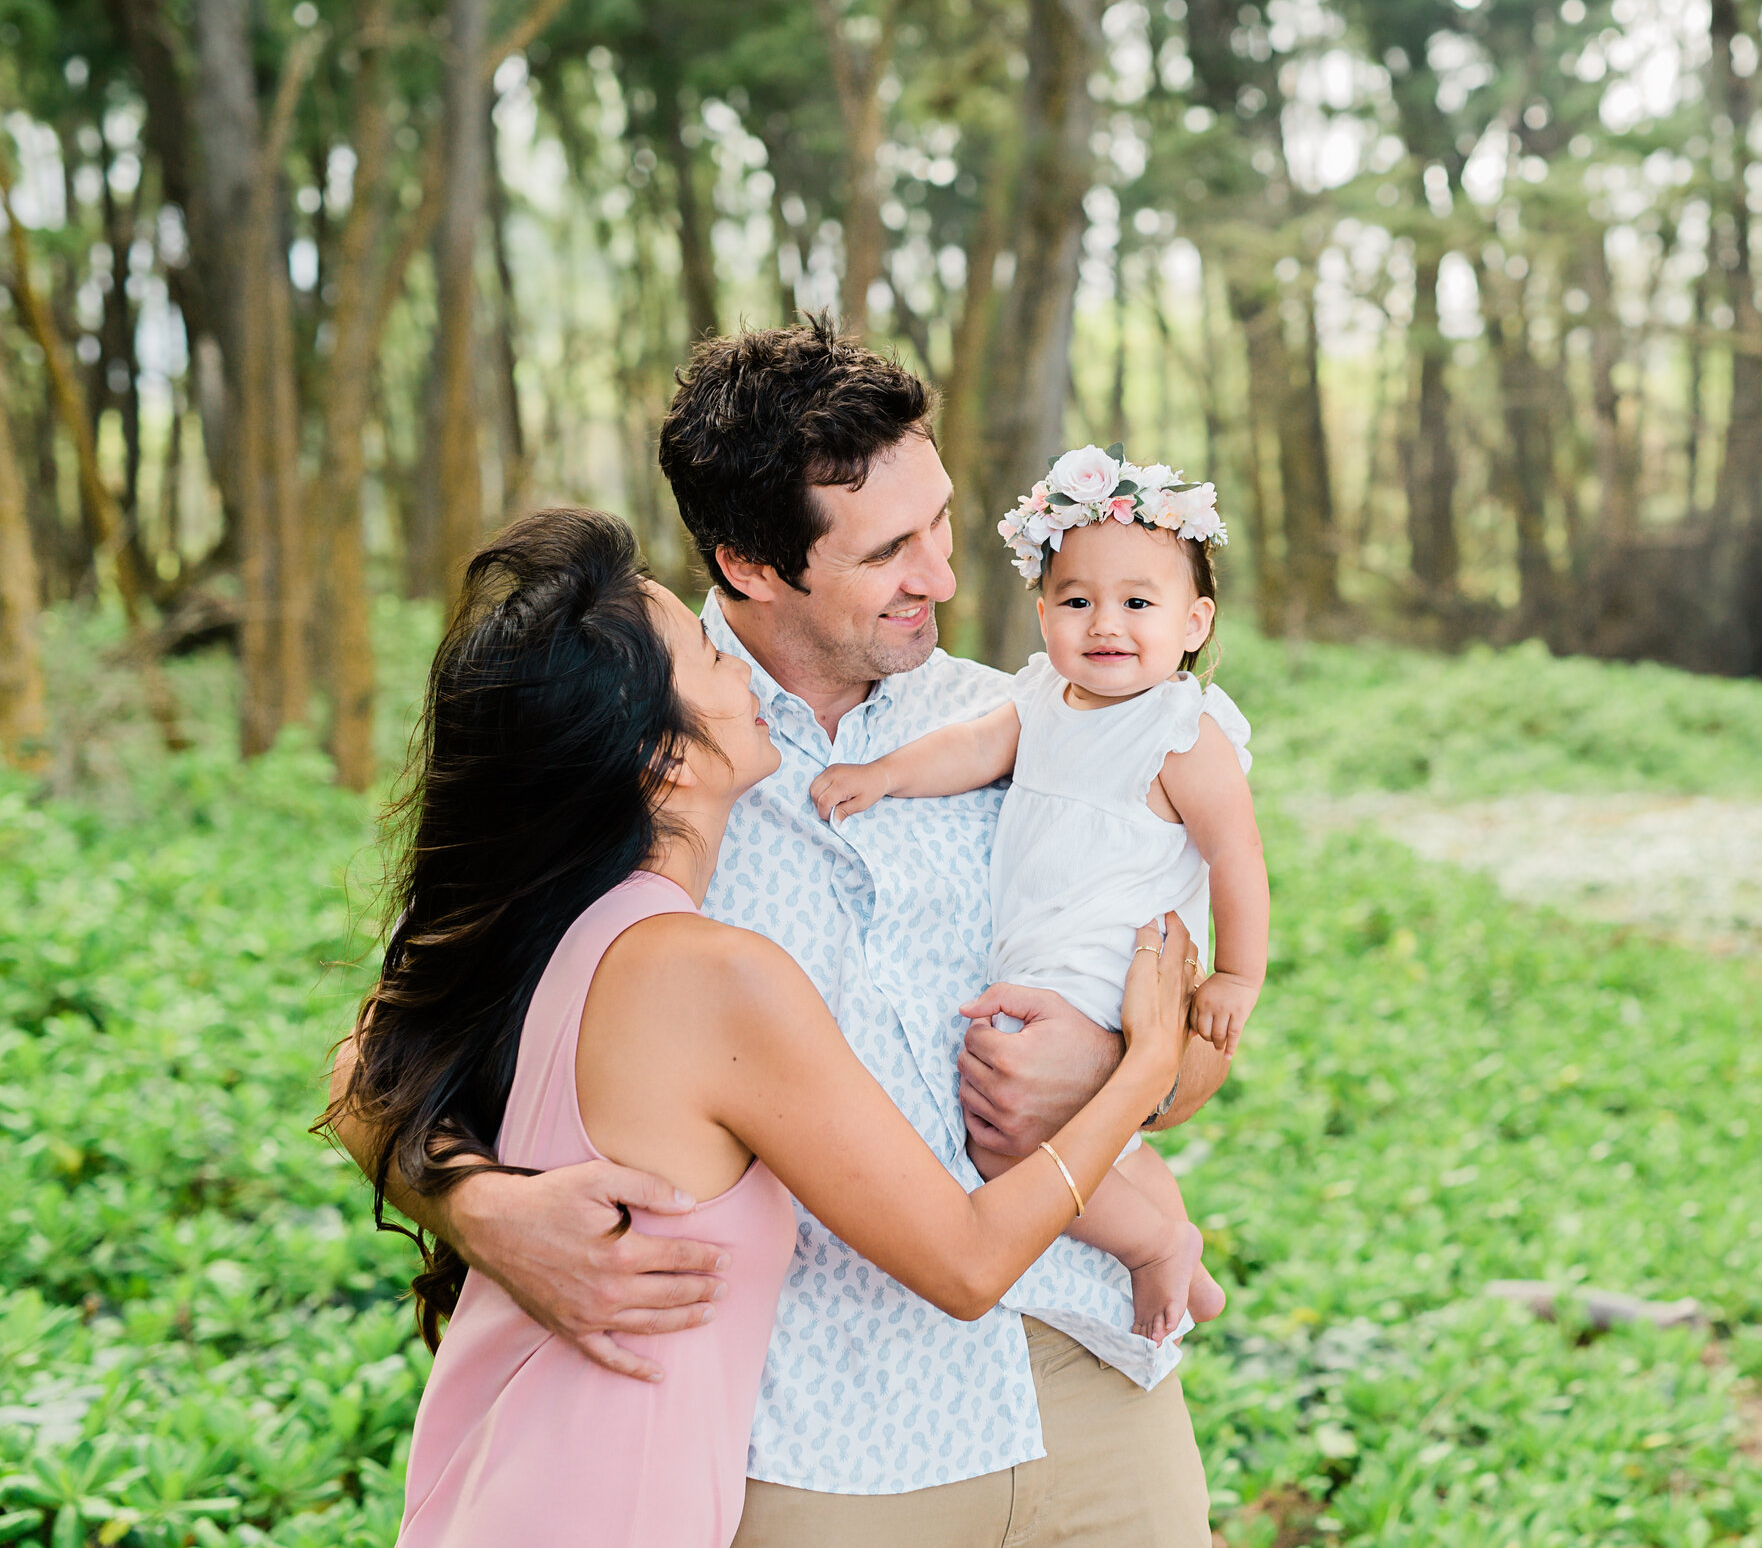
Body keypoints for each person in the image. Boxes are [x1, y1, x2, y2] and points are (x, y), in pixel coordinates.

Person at [328, 319, 1232, 1546]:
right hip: (814, 1446)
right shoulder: (643, 758)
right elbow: (383, 1054)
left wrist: (1131, 1067)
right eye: (889, 550)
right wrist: (479, 1209)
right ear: (752, 562)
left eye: (944, 520)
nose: (946, 576)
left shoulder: (1051, 725)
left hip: (1090, 1376)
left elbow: (1196, 1033)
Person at [810, 445, 1268, 1343]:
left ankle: (1153, 1248)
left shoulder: (1183, 730)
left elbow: (1237, 856)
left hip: (1109, 963)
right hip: (1040, 951)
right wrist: (885, 775)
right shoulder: (1043, 700)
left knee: (1004, 1137)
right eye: (1077, 600)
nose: (1106, 624)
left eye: (1139, 603)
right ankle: (1176, 1242)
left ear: (1193, 620)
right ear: (1043, 609)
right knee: (1102, 1141)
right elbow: (973, 747)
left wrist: (1238, 978)